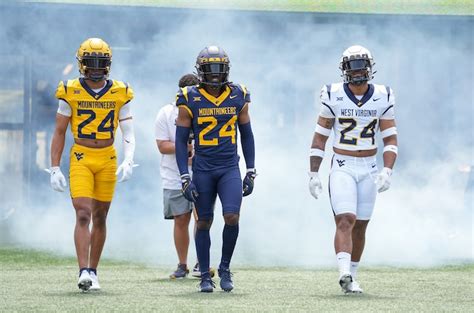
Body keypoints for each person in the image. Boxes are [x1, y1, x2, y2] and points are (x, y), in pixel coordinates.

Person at [308, 45, 398, 294]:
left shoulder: (383, 95)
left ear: (370, 68)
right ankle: (343, 272)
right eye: (353, 66)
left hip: (369, 166)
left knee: (361, 225)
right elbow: (320, 138)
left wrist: (387, 170)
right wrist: (314, 172)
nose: (358, 71)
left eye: (362, 65)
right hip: (343, 165)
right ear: (344, 69)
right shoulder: (332, 94)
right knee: (345, 219)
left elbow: (390, 138)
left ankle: (352, 277)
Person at [48, 38, 136, 292]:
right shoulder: (70, 89)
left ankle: (94, 271)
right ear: (81, 63)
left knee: (100, 215)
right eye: (90, 62)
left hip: (108, 157)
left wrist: (129, 158)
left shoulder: (121, 90)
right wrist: (54, 167)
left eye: (101, 62)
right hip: (82, 157)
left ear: (108, 64)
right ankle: (83, 270)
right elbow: (59, 131)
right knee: (83, 212)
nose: (96, 68)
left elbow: (128, 130)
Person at [174, 46, 256, 292]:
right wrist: (184, 176)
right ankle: (205, 277)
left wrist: (250, 170)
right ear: (200, 70)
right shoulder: (188, 96)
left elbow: (247, 136)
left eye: (219, 69)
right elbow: (180, 140)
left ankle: (225, 268)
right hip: (203, 168)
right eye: (210, 69)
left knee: (231, 216)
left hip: (229, 166)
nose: (215, 74)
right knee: (203, 222)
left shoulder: (238, 94)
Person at [155, 73, 201, 279]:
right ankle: (183, 264)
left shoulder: (206, 109)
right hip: (174, 174)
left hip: (202, 172)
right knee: (181, 219)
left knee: (202, 218)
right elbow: (162, 145)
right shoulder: (166, 113)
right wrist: (184, 147)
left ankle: (202, 262)